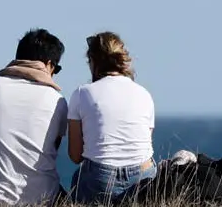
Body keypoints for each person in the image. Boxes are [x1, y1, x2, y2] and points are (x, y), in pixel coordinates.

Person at [0, 28, 70, 206]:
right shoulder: (57, 101)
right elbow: (52, 148)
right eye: (56, 69)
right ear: (49, 64)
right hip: (44, 199)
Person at [66, 31, 156, 204]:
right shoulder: (144, 94)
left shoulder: (81, 93)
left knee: (79, 176)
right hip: (143, 177)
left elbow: (75, 155)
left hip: (100, 179)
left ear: (93, 61)